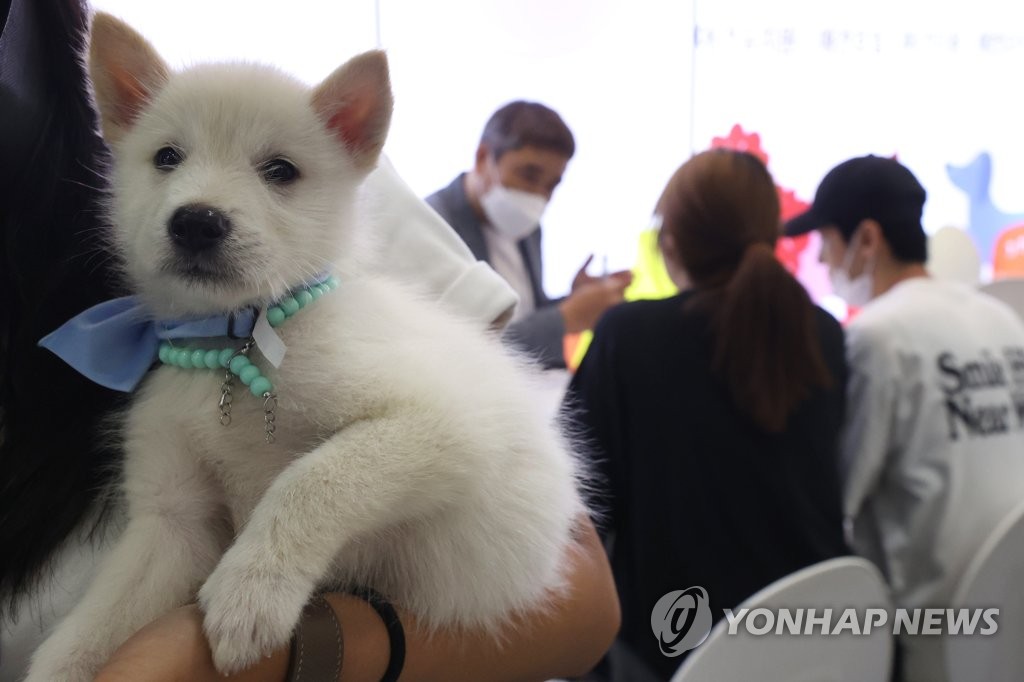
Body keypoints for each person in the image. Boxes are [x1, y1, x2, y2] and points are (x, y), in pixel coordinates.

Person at [0, 2, 619, 679]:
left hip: (474, 585)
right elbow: (171, 533)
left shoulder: (340, 325)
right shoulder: (171, 368)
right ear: (119, 129)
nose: (201, 203)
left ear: (356, 143)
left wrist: (278, 552)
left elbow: (444, 439)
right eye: (169, 157)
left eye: (279, 171)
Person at [565, 149, 849, 681]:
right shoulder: (823, 335)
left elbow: (574, 503)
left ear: (672, 242)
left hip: (675, 644)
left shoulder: (628, 337)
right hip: (819, 640)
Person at [784, 154, 1024, 682]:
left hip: (931, 630)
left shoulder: (878, 335)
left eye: (825, 241)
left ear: (866, 240)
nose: (821, 261)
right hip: (1010, 607)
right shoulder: (999, 317)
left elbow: (845, 492)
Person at [426, 100, 632, 369]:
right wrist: (566, 318)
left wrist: (574, 299)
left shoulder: (528, 227)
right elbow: (464, 348)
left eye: (552, 185)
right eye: (529, 175)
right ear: (482, 158)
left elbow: (523, 311)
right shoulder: (434, 224)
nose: (539, 195)